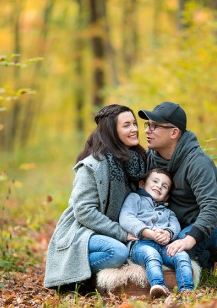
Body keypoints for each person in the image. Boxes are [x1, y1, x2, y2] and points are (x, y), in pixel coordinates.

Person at [43, 104, 146, 290]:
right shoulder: (92, 166)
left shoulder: (137, 162)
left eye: (134, 124)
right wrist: (121, 234)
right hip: (84, 230)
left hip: (116, 229)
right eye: (126, 125)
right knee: (117, 252)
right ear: (112, 132)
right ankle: (71, 277)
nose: (134, 129)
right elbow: (83, 211)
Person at [137, 101, 217, 272]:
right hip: (173, 226)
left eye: (155, 126)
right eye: (148, 125)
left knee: (182, 245)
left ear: (174, 132)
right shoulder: (151, 158)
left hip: (215, 230)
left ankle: (204, 266)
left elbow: (212, 206)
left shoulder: (197, 163)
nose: (147, 130)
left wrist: (188, 240)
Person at [119, 168, 194, 298]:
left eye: (164, 186)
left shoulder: (168, 211)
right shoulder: (135, 198)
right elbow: (126, 218)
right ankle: (158, 286)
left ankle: (187, 289)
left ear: (166, 196)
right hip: (140, 244)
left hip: (164, 245)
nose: (159, 186)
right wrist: (149, 233)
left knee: (181, 256)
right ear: (142, 184)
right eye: (155, 181)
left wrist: (167, 234)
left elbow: (175, 225)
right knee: (151, 254)